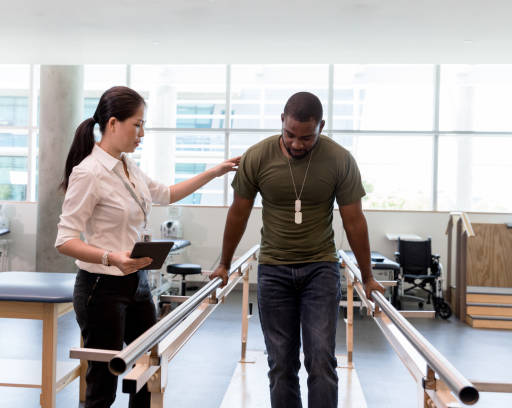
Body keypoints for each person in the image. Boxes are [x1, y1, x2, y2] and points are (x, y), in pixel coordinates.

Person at [55, 86, 239, 408]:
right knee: (103, 385)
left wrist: (214, 172)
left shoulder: (128, 166)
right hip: (101, 288)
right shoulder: (89, 173)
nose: (142, 133)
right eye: (137, 124)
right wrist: (111, 257)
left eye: (144, 125)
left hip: (136, 283)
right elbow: (65, 240)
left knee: (147, 369)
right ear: (113, 124)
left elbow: (166, 193)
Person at [210, 92, 384, 408]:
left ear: (322, 126)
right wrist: (224, 263)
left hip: (320, 268)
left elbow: (355, 221)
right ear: (281, 122)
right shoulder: (258, 156)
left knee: (320, 359)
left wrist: (368, 277)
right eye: (290, 134)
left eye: (307, 137)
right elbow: (238, 213)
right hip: (274, 270)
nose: (297, 144)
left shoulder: (339, 159)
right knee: (280, 363)